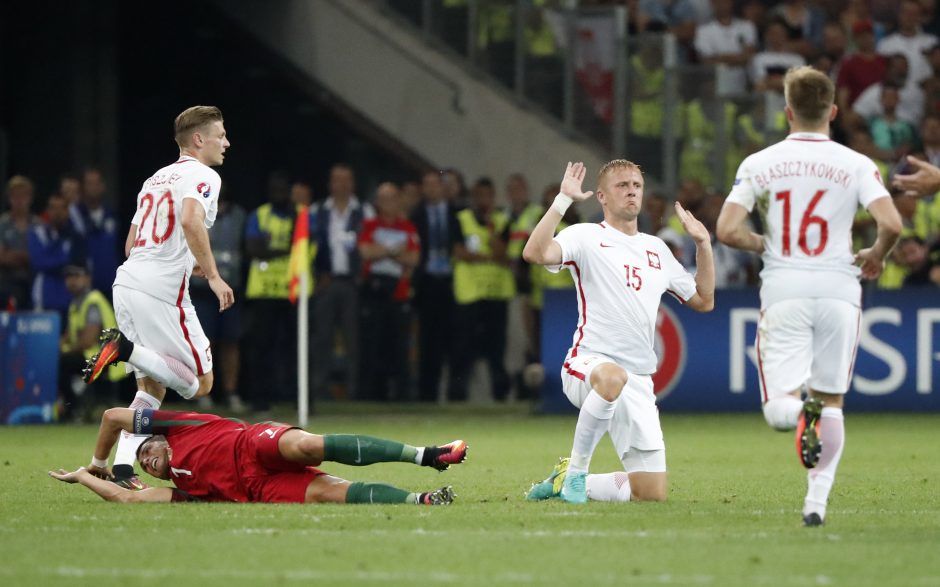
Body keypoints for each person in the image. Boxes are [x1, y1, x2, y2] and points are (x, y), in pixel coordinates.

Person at [716, 66, 902, 527]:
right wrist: (876, 254)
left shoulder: (759, 163)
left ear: (787, 112)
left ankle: (802, 411)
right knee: (832, 400)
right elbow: (893, 224)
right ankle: (815, 504)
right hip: (840, 288)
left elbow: (726, 230)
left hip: (786, 288)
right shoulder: (857, 163)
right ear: (833, 112)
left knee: (780, 410)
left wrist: (764, 243)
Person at [522, 160, 715, 504]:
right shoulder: (585, 236)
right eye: (622, 185)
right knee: (612, 377)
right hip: (589, 365)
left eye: (636, 186)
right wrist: (562, 201)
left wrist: (703, 244)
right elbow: (534, 252)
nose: (631, 191)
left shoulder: (656, 249)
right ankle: (577, 473)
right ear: (602, 197)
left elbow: (703, 300)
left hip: (639, 379)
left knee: (649, 494)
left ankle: (564, 480)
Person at [82, 105, 235, 489]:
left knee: (150, 389)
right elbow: (188, 220)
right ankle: (125, 349)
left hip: (127, 282)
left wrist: (188, 261)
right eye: (221, 135)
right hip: (161, 293)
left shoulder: (154, 178)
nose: (226, 143)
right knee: (201, 384)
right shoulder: (203, 174)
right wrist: (213, 276)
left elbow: (134, 242)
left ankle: (114, 468)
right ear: (199, 140)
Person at [49, 406, 467, 505]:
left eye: (146, 452)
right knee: (328, 492)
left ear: (156, 439)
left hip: (251, 442)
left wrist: (102, 462)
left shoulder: (179, 424)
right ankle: (423, 500)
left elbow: (112, 417)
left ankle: (427, 454)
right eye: (142, 466)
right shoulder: (183, 488)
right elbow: (129, 498)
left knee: (305, 444)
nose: (146, 463)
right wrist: (85, 477)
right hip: (256, 486)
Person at [312, 164, 374, 401]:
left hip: (352, 282)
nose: (343, 185)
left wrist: (361, 276)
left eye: (347, 180)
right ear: (330, 184)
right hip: (326, 282)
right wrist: (319, 273)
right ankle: (319, 389)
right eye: (338, 180)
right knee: (322, 337)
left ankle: (353, 390)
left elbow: (370, 242)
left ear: (353, 184)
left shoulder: (364, 211)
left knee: (353, 339)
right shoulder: (320, 210)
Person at [450, 177, 515, 402]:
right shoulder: (462, 219)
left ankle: (500, 396)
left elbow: (503, 253)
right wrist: (487, 255)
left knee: (496, 350)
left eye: (487, 196)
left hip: (496, 295)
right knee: (463, 349)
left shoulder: (502, 220)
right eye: (479, 196)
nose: (483, 201)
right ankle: (457, 396)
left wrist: (490, 227)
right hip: (469, 295)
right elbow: (459, 252)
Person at [357, 182, 420, 401]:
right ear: (377, 202)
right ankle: (370, 395)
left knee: (400, 348)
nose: (389, 203)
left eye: (393, 198)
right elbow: (365, 252)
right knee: (372, 346)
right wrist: (395, 251)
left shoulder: (407, 228)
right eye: (384, 198)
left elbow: (412, 258)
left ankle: (401, 396)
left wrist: (381, 251)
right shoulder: (370, 225)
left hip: (399, 294)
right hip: (373, 295)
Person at [410, 171, 461, 402]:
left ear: (443, 187)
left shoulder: (456, 214)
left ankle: (455, 393)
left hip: (452, 282)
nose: (430, 189)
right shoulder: (416, 215)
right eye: (426, 185)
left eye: (434, 184)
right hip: (427, 282)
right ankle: (426, 393)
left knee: (454, 340)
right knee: (427, 341)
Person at [59, 263, 127, 421]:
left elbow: (88, 341)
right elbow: (69, 336)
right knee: (58, 361)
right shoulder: (76, 303)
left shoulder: (92, 302)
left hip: (107, 359)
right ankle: (73, 407)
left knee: (62, 363)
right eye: (69, 277)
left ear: (87, 278)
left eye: (76, 276)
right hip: (96, 356)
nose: (72, 281)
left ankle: (74, 410)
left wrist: (63, 350)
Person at [27, 192, 86, 319]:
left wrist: (50, 257)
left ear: (67, 211)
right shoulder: (37, 233)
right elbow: (38, 262)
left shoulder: (75, 237)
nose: (57, 212)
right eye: (53, 208)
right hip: (44, 299)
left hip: (70, 300)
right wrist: (63, 260)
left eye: (61, 208)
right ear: (47, 210)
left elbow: (76, 264)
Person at [70, 168, 119, 296]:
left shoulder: (112, 215)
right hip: (84, 287)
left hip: (112, 286)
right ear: (83, 187)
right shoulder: (74, 216)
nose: (93, 188)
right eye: (89, 183)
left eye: (96, 183)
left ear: (103, 186)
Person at [0, 175, 38, 310]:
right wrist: (24, 256)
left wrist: (14, 255)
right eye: (15, 196)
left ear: (30, 198)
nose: (19, 201)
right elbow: (2, 257)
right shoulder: (3, 223)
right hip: (7, 282)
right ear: (9, 198)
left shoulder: (38, 224)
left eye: (23, 196)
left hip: (32, 282)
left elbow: (39, 257)